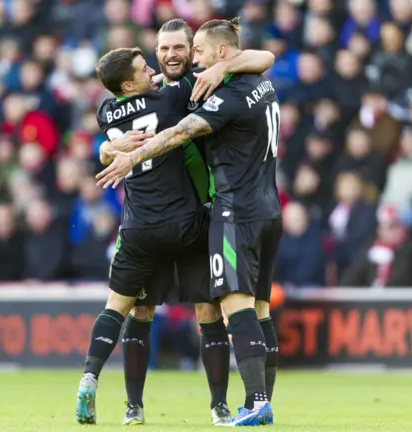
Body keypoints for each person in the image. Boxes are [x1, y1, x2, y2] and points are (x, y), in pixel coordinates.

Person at [76, 20, 275, 426]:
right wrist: (112, 151)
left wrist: (107, 148)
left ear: (193, 49)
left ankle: (101, 385)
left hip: (141, 226)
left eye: (181, 49)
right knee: (216, 310)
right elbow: (264, 60)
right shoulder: (176, 95)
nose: (164, 59)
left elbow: (111, 137)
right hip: (198, 220)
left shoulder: (108, 109)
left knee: (129, 309)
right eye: (159, 52)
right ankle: (225, 404)